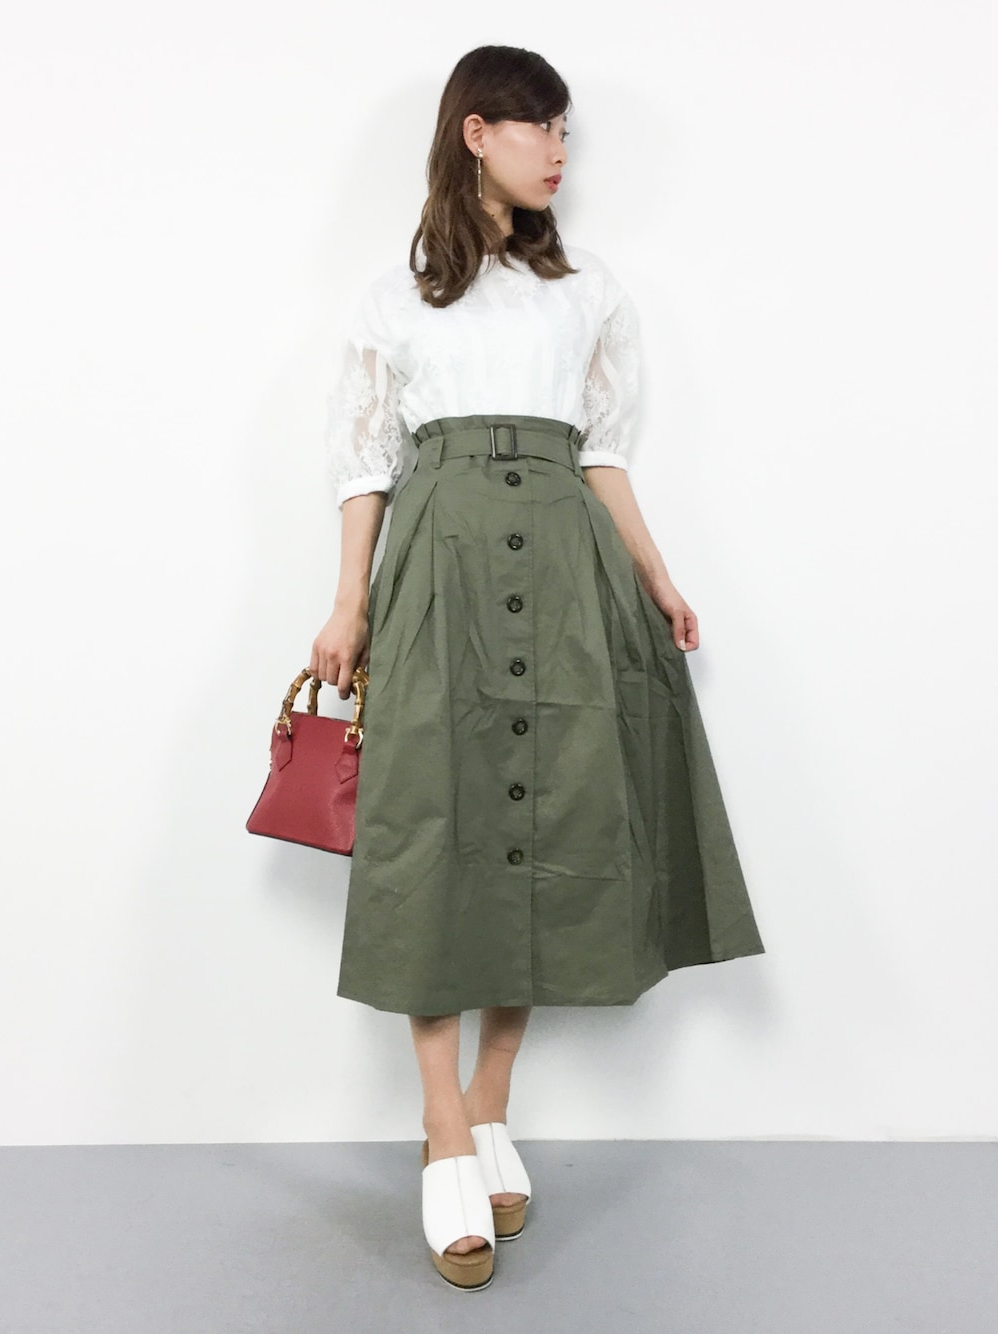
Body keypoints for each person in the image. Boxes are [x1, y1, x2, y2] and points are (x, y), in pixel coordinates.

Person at [310, 45, 765, 1291]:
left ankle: (488, 1098)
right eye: (539, 127)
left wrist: (655, 573)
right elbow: (363, 462)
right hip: (441, 563)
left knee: (549, 817)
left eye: (566, 132)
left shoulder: (588, 291)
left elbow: (604, 452)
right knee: (435, 822)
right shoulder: (394, 297)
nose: (559, 151)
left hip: (569, 565)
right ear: (476, 132)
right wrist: (347, 602)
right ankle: (441, 1121)